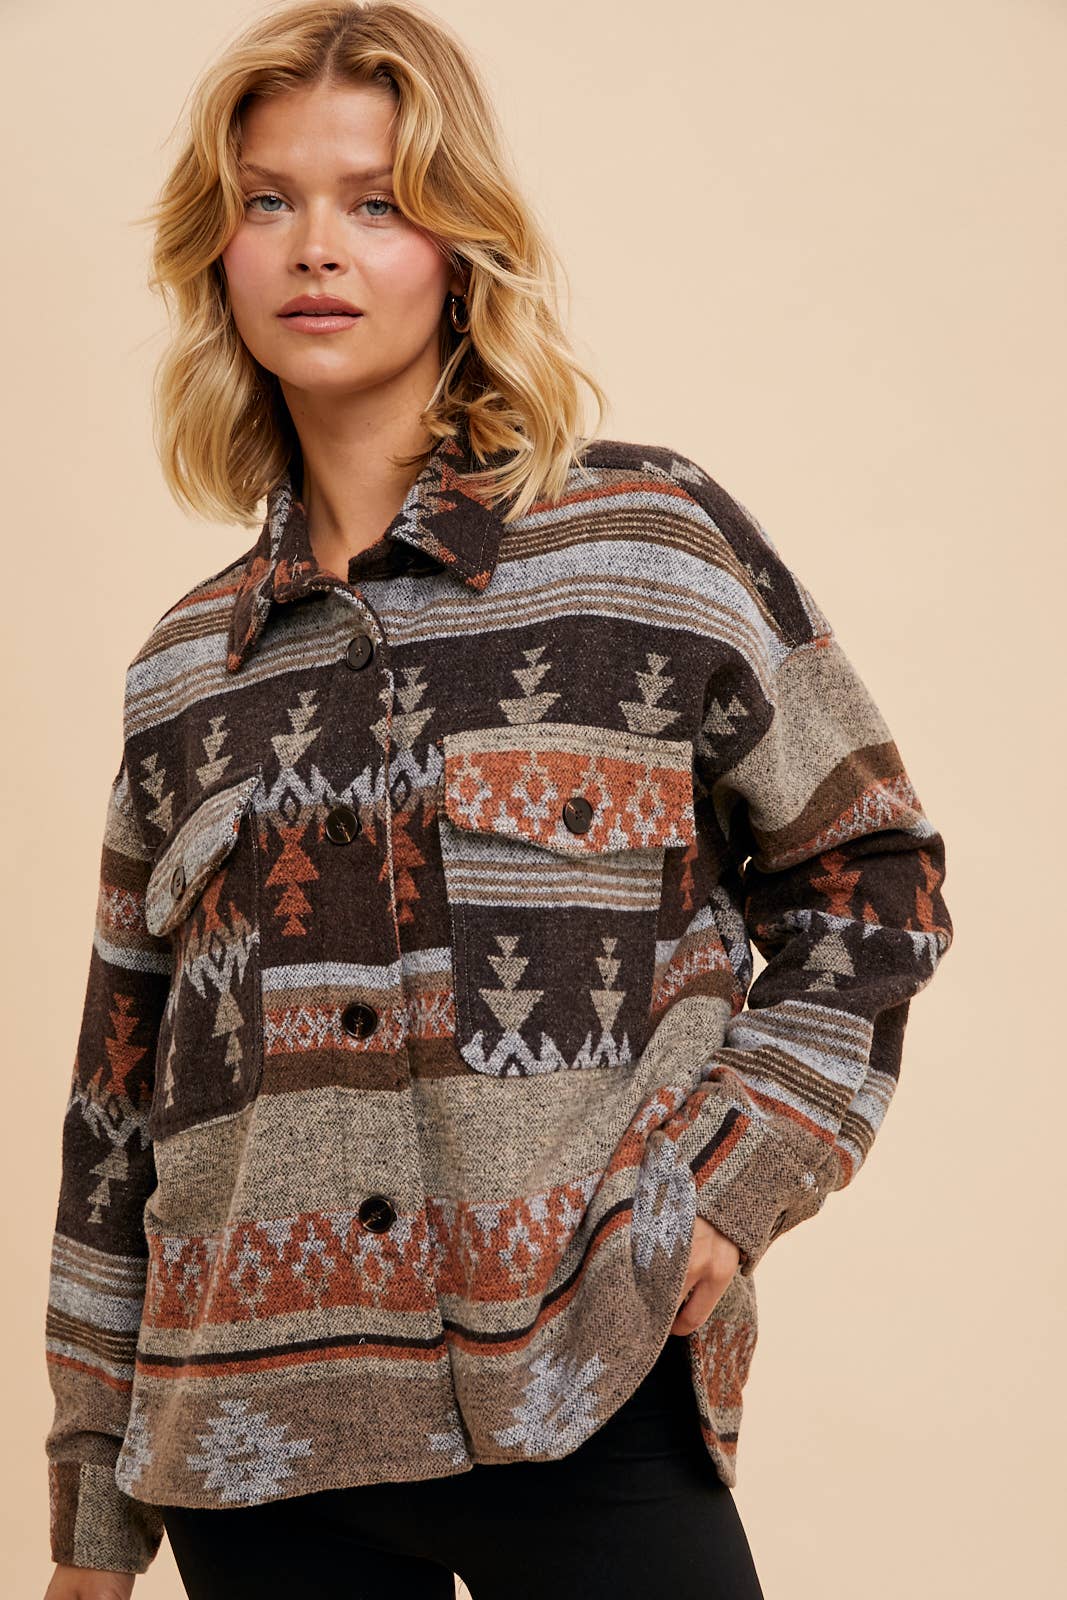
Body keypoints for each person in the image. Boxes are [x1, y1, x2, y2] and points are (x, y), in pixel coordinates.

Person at [41, 3, 954, 1597]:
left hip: (586, 1384)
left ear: (459, 248)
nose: (316, 245)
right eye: (268, 201)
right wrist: (89, 1532)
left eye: (376, 200)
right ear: (220, 256)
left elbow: (872, 881)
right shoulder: (181, 673)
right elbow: (118, 1113)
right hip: (252, 1454)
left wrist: (730, 1200)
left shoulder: (646, 548)